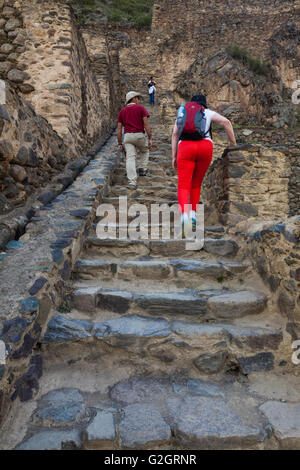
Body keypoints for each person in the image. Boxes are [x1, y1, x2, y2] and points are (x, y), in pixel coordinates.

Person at [171, 94, 236, 236]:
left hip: (185, 147)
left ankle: (185, 219)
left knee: (183, 185)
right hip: (205, 147)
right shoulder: (207, 112)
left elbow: (175, 134)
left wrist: (174, 156)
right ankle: (193, 216)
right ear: (203, 104)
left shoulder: (183, 113)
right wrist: (233, 145)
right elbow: (226, 123)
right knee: (196, 184)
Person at [117, 91, 152, 189]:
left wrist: (119, 142)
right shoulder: (141, 108)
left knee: (130, 157)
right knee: (145, 150)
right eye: (138, 98)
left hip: (128, 136)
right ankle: (142, 169)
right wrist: (150, 138)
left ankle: (132, 181)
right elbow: (146, 125)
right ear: (134, 99)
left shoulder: (122, 112)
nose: (139, 100)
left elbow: (119, 130)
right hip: (139, 135)